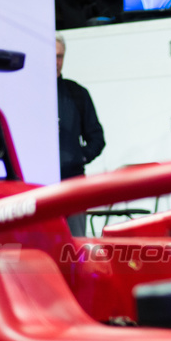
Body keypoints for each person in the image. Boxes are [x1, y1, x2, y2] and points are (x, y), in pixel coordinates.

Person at [56, 33, 106, 237]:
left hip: (73, 182)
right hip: (39, 184)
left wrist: (79, 157)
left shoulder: (77, 93)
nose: (56, 62)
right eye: (52, 55)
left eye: (60, 56)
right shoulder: (32, 94)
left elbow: (97, 138)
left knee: (75, 245)